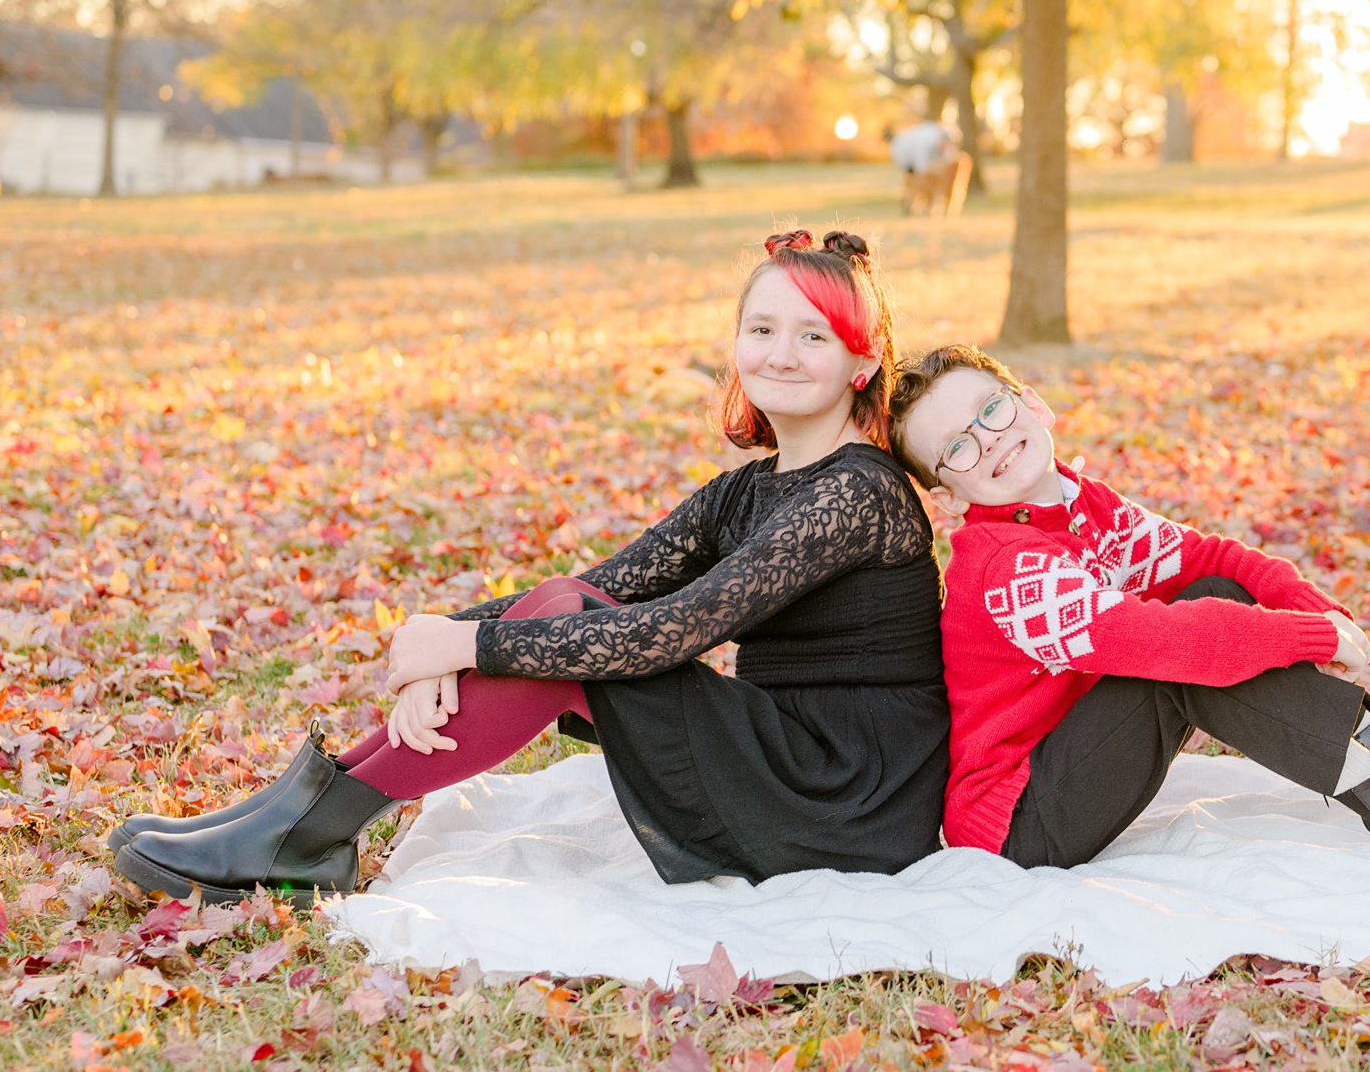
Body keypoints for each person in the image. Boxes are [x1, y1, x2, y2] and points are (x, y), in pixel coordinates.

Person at [108, 230, 949, 906]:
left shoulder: (857, 493)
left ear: (861, 363)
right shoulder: (745, 492)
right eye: (762, 329)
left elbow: (670, 631)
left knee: (579, 629)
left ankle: (305, 834)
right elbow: (603, 585)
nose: (782, 353)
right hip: (790, 759)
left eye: (814, 336)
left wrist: (466, 650)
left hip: (849, 798)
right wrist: (440, 635)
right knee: (564, 606)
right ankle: (285, 820)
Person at [885, 344, 1370, 873]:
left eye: (992, 410)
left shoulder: (1081, 503)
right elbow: (1146, 636)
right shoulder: (1005, 565)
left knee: (1213, 600)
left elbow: (1209, 559)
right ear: (949, 497)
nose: (990, 439)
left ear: (1031, 402)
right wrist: (1302, 637)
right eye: (957, 447)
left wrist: (1315, 609)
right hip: (1018, 822)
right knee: (1181, 651)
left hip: (1071, 759)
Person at [888, 111, 971, 218]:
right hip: (905, 155)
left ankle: (920, 205)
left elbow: (948, 157)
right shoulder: (925, 142)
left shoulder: (945, 136)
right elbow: (921, 166)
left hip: (917, 153)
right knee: (916, 182)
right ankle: (910, 204)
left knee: (928, 179)